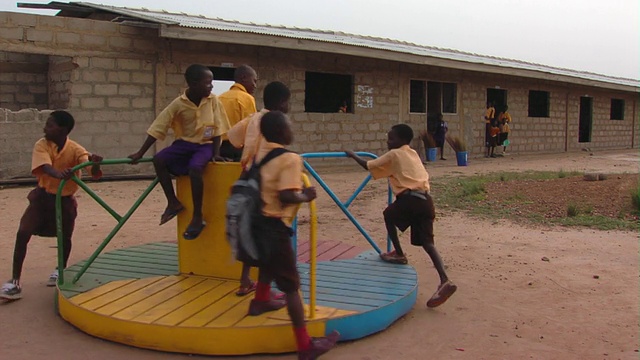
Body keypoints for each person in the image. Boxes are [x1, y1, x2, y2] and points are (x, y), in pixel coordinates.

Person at [248, 110, 339, 359]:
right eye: (289, 127)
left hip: (255, 223)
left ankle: (261, 300)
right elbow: (287, 195)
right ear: (280, 132)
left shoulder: (261, 154)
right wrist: (305, 196)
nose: (293, 131)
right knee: (291, 286)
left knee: (267, 264)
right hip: (273, 226)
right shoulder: (290, 159)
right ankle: (305, 345)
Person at [345, 124, 457, 308]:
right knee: (428, 244)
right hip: (426, 201)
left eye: (392, 139)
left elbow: (368, 165)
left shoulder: (394, 154)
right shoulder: (412, 154)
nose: (389, 142)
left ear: (402, 140)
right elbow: (391, 171)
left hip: (410, 199)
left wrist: (352, 154)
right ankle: (444, 279)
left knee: (388, 214)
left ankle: (399, 253)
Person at [1, 110, 103, 300]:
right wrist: (59, 174)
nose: (45, 128)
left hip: (64, 200)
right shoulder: (42, 144)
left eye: (50, 125)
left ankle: (60, 270)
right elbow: (45, 167)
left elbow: (90, 170)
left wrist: (95, 164)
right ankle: (14, 281)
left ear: (62, 129)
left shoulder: (76, 149)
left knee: (65, 237)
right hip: (43, 198)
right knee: (23, 232)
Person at [128, 64, 230, 240]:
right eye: (208, 83)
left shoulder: (214, 101)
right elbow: (159, 126)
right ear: (193, 84)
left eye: (211, 83)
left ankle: (198, 216)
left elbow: (218, 129)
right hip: (184, 144)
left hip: (205, 145)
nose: (211, 86)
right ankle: (173, 202)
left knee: (195, 168)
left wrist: (215, 153)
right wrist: (140, 153)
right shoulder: (178, 104)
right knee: (159, 159)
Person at [226, 81, 291, 296]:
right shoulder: (276, 123)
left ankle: (246, 280)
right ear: (282, 103)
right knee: (270, 232)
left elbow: (233, 137)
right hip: (266, 180)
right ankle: (266, 289)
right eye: (288, 102)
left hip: (247, 176)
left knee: (250, 228)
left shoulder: (252, 117)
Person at [219, 65, 258, 161]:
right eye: (254, 81)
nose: (255, 85)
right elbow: (251, 130)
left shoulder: (220, 98)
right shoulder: (247, 98)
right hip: (237, 150)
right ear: (244, 78)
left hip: (218, 148)